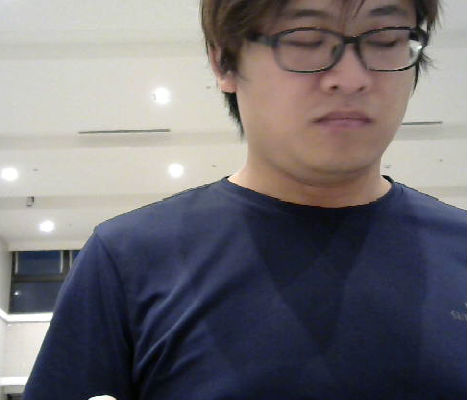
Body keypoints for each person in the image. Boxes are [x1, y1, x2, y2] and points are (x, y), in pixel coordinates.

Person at [23, 0, 466, 399]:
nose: (351, 79)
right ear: (224, 62)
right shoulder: (128, 259)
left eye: (386, 40)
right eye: (306, 39)